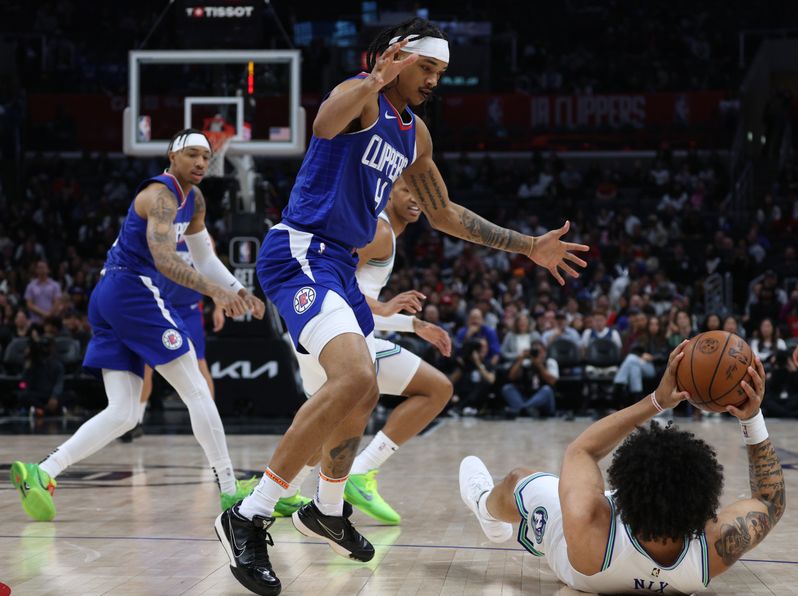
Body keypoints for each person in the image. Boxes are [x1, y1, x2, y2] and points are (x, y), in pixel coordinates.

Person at [214, 17, 588, 596]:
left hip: (339, 265)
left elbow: (444, 213)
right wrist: (372, 77)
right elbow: (323, 121)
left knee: (362, 390)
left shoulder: (416, 135)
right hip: (301, 252)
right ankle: (249, 514)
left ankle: (327, 507)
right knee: (354, 377)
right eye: (428, 68)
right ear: (397, 57)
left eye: (441, 72)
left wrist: (528, 245)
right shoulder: (357, 97)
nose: (435, 80)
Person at [10, 129, 265, 522]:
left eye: (206, 156)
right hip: (132, 290)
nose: (201, 162)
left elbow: (204, 256)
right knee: (196, 389)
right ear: (171, 156)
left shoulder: (193, 199)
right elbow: (165, 261)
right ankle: (231, 491)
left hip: (112, 296)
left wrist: (237, 289)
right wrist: (217, 293)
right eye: (193, 154)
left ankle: (42, 472)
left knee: (125, 412)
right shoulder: (159, 197)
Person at [460, 342, 785, 594]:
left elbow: (583, 450)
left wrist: (657, 401)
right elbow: (770, 501)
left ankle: (484, 505)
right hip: (606, 556)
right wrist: (751, 417)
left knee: (518, 478)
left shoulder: (588, 520)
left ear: (617, 496)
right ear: (705, 508)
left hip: (577, 552)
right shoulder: (711, 551)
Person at [281, 180, 453, 525]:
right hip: (337, 336)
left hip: (336, 335)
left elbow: (357, 297)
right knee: (432, 390)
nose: (416, 197)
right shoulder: (379, 231)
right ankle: (353, 477)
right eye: (408, 190)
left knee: (325, 425)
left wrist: (411, 325)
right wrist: (392, 311)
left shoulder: (384, 231)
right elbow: (333, 282)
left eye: (420, 192)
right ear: (390, 192)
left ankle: (285, 495)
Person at [119, 237, 227, 443]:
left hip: (190, 311)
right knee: (147, 366)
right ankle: (136, 422)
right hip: (161, 308)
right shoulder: (160, 232)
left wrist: (219, 306)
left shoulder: (201, 236)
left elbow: (212, 269)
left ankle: (209, 422)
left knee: (199, 364)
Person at [500, 339, 559, 418]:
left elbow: (552, 381)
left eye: (539, 351)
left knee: (547, 390)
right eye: (534, 352)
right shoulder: (526, 362)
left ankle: (522, 409)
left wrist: (539, 365)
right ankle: (526, 408)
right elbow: (511, 377)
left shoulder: (550, 362)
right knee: (507, 388)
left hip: (543, 401)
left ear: (544, 352)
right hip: (526, 396)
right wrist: (521, 359)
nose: (537, 354)